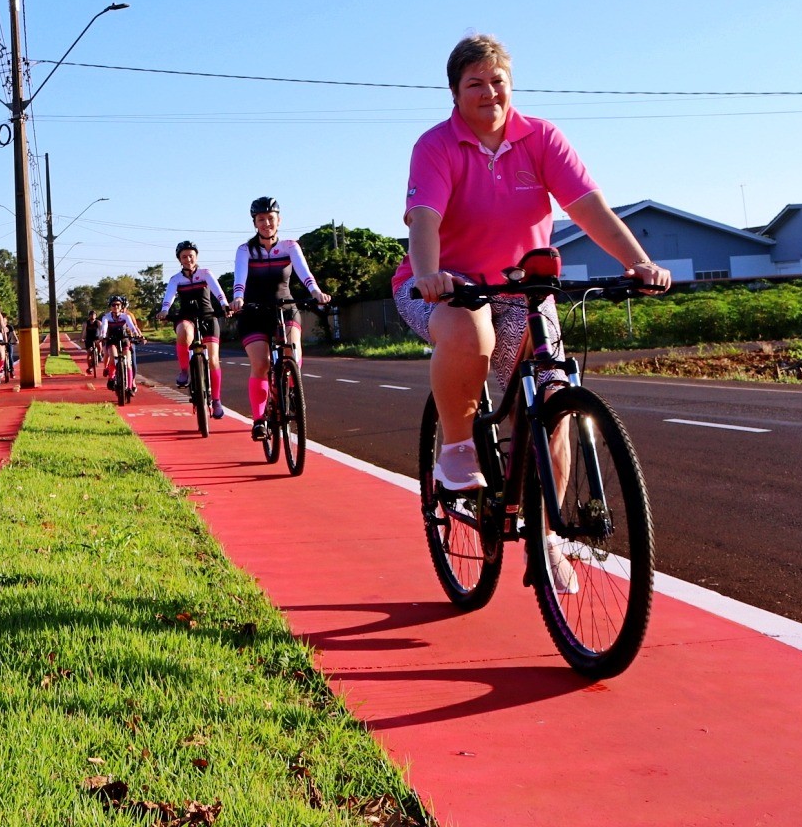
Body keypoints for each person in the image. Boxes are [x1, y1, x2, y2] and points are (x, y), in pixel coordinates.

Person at [396, 34, 670, 591]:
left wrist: (640, 263)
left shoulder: (541, 138)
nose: (489, 93)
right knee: (469, 333)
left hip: (524, 289)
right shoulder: (436, 145)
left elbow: (588, 209)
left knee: (553, 400)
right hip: (447, 287)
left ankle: (546, 532)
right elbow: (423, 217)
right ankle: (454, 452)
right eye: (476, 83)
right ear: (455, 93)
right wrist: (429, 273)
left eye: (498, 81)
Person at [228, 197, 330, 441]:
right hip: (253, 310)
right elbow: (239, 279)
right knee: (261, 365)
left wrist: (315, 292)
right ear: (255, 223)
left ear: (279, 220)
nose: (266, 223)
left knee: (291, 352)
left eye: (270, 218)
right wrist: (238, 298)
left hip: (285, 306)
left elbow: (305, 274)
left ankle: (292, 389)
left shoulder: (290, 246)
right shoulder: (246, 250)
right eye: (261, 219)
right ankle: (259, 419)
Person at [160, 240, 229, 418]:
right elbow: (170, 296)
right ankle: (185, 370)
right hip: (186, 317)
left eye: (191, 255)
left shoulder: (206, 273)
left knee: (213, 360)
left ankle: (216, 400)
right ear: (179, 259)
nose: (188, 259)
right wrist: (165, 310)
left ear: (196, 256)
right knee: (183, 331)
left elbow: (218, 291)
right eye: (184, 256)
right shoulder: (176, 279)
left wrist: (224, 304)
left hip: (207, 316)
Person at [95, 294, 143, 390]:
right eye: (113, 305)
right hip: (112, 340)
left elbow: (132, 326)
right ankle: (111, 377)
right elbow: (104, 327)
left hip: (124, 339)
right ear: (110, 306)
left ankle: (130, 387)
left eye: (118, 304)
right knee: (113, 357)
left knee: (128, 363)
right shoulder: (106, 317)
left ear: (121, 306)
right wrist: (103, 335)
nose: (116, 307)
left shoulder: (125, 316)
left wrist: (136, 334)